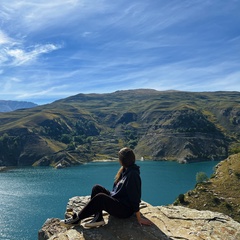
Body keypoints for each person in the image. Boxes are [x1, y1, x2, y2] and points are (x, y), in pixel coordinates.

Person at [60, 147, 152, 227]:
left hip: (125, 210)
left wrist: (139, 218)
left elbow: (135, 197)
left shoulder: (133, 174)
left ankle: (77, 219)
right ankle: (98, 217)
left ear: (122, 160)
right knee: (96, 188)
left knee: (100, 197)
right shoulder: (125, 170)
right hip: (119, 201)